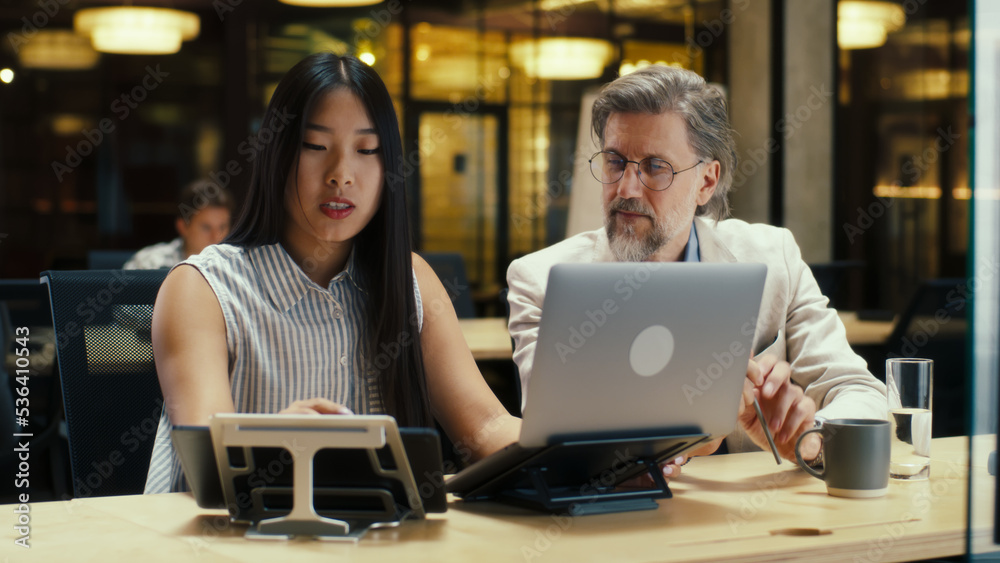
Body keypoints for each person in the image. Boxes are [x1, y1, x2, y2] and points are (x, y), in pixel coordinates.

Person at [144, 53, 520, 493]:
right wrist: (271, 441)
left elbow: (486, 427)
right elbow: (206, 459)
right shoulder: (203, 288)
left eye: (367, 150)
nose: (341, 175)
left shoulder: (408, 278)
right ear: (278, 155)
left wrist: (576, 444)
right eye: (316, 146)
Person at [506, 65, 887, 466]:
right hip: (617, 522)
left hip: (761, 522)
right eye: (615, 162)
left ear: (707, 182)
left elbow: (860, 391)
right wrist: (696, 432)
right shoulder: (540, 282)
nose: (626, 189)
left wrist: (808, 441)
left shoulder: (775, 257)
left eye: (655, 167)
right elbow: (554, 443)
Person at [123, 180, 233, 269]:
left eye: (222, 227)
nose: (216, 236)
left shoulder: (236, 266)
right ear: (183, 227)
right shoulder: (149, 264)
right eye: (206, 227)